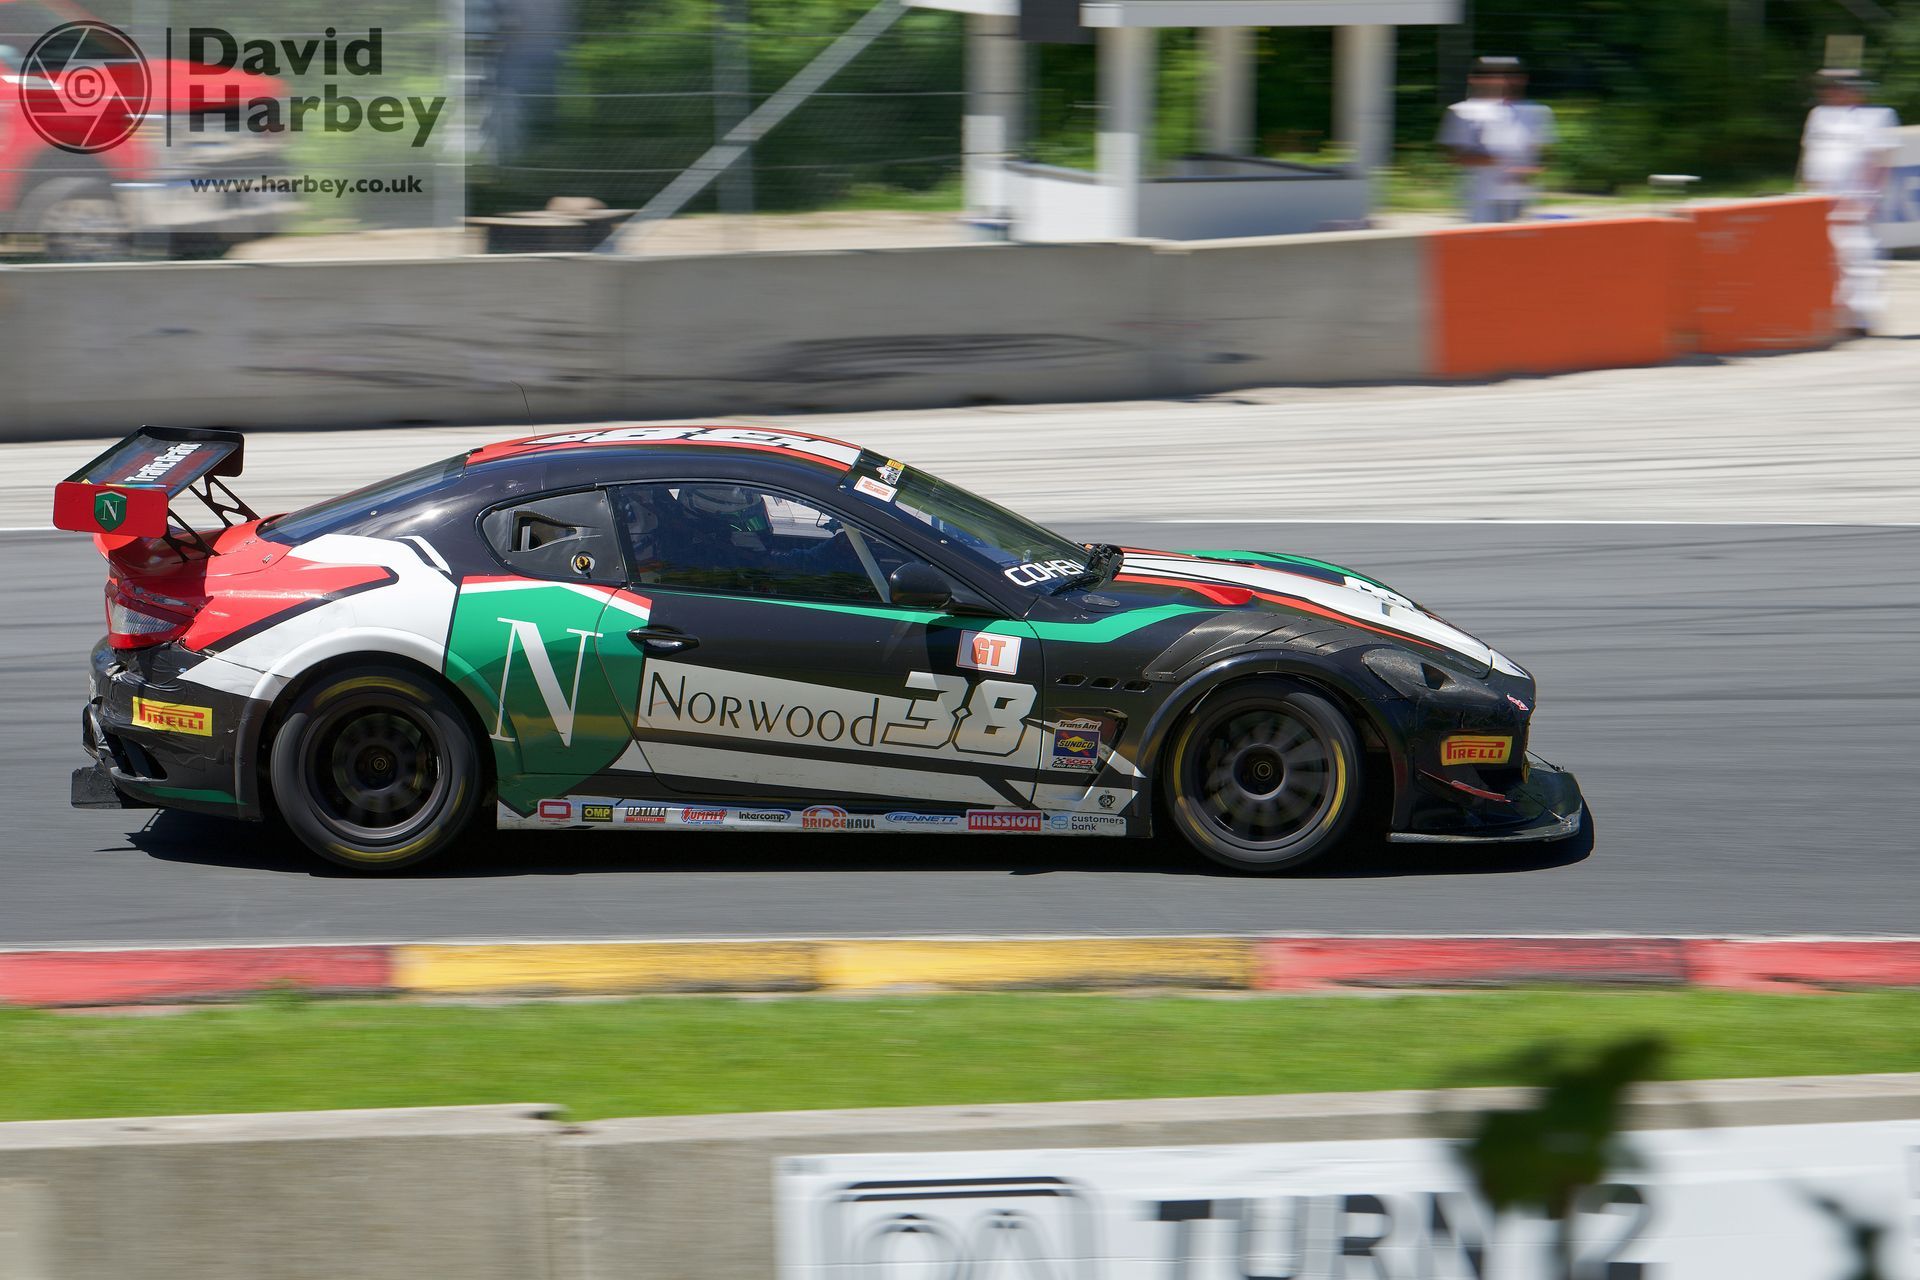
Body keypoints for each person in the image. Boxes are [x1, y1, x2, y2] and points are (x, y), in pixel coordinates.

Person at [1799, 68, 1901, 335]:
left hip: (1857, 200)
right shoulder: (1819, 116)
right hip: (1821, 198)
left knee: (1859, 258)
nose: (1834, 92)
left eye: (1841, 87)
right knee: (1827, 259)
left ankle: (1861, 319)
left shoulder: (1879, 116)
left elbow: (1882, 162)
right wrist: (1808, 192)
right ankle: (1836, 314)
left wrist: (1868, 198)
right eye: (1831, 88)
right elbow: (1810, 155)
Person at [1438, 56, 1556, 224]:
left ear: (1523, 79)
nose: (1502, 80)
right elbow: (1455, 157)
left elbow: (1543, 156)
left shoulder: (1537, 112)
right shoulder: (1462, 111)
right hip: (1480, 199)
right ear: (1474, 79)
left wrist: (1529, 170)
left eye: (1510, 75)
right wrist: (1499, 161)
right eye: (1492, 75)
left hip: (1520, 197)